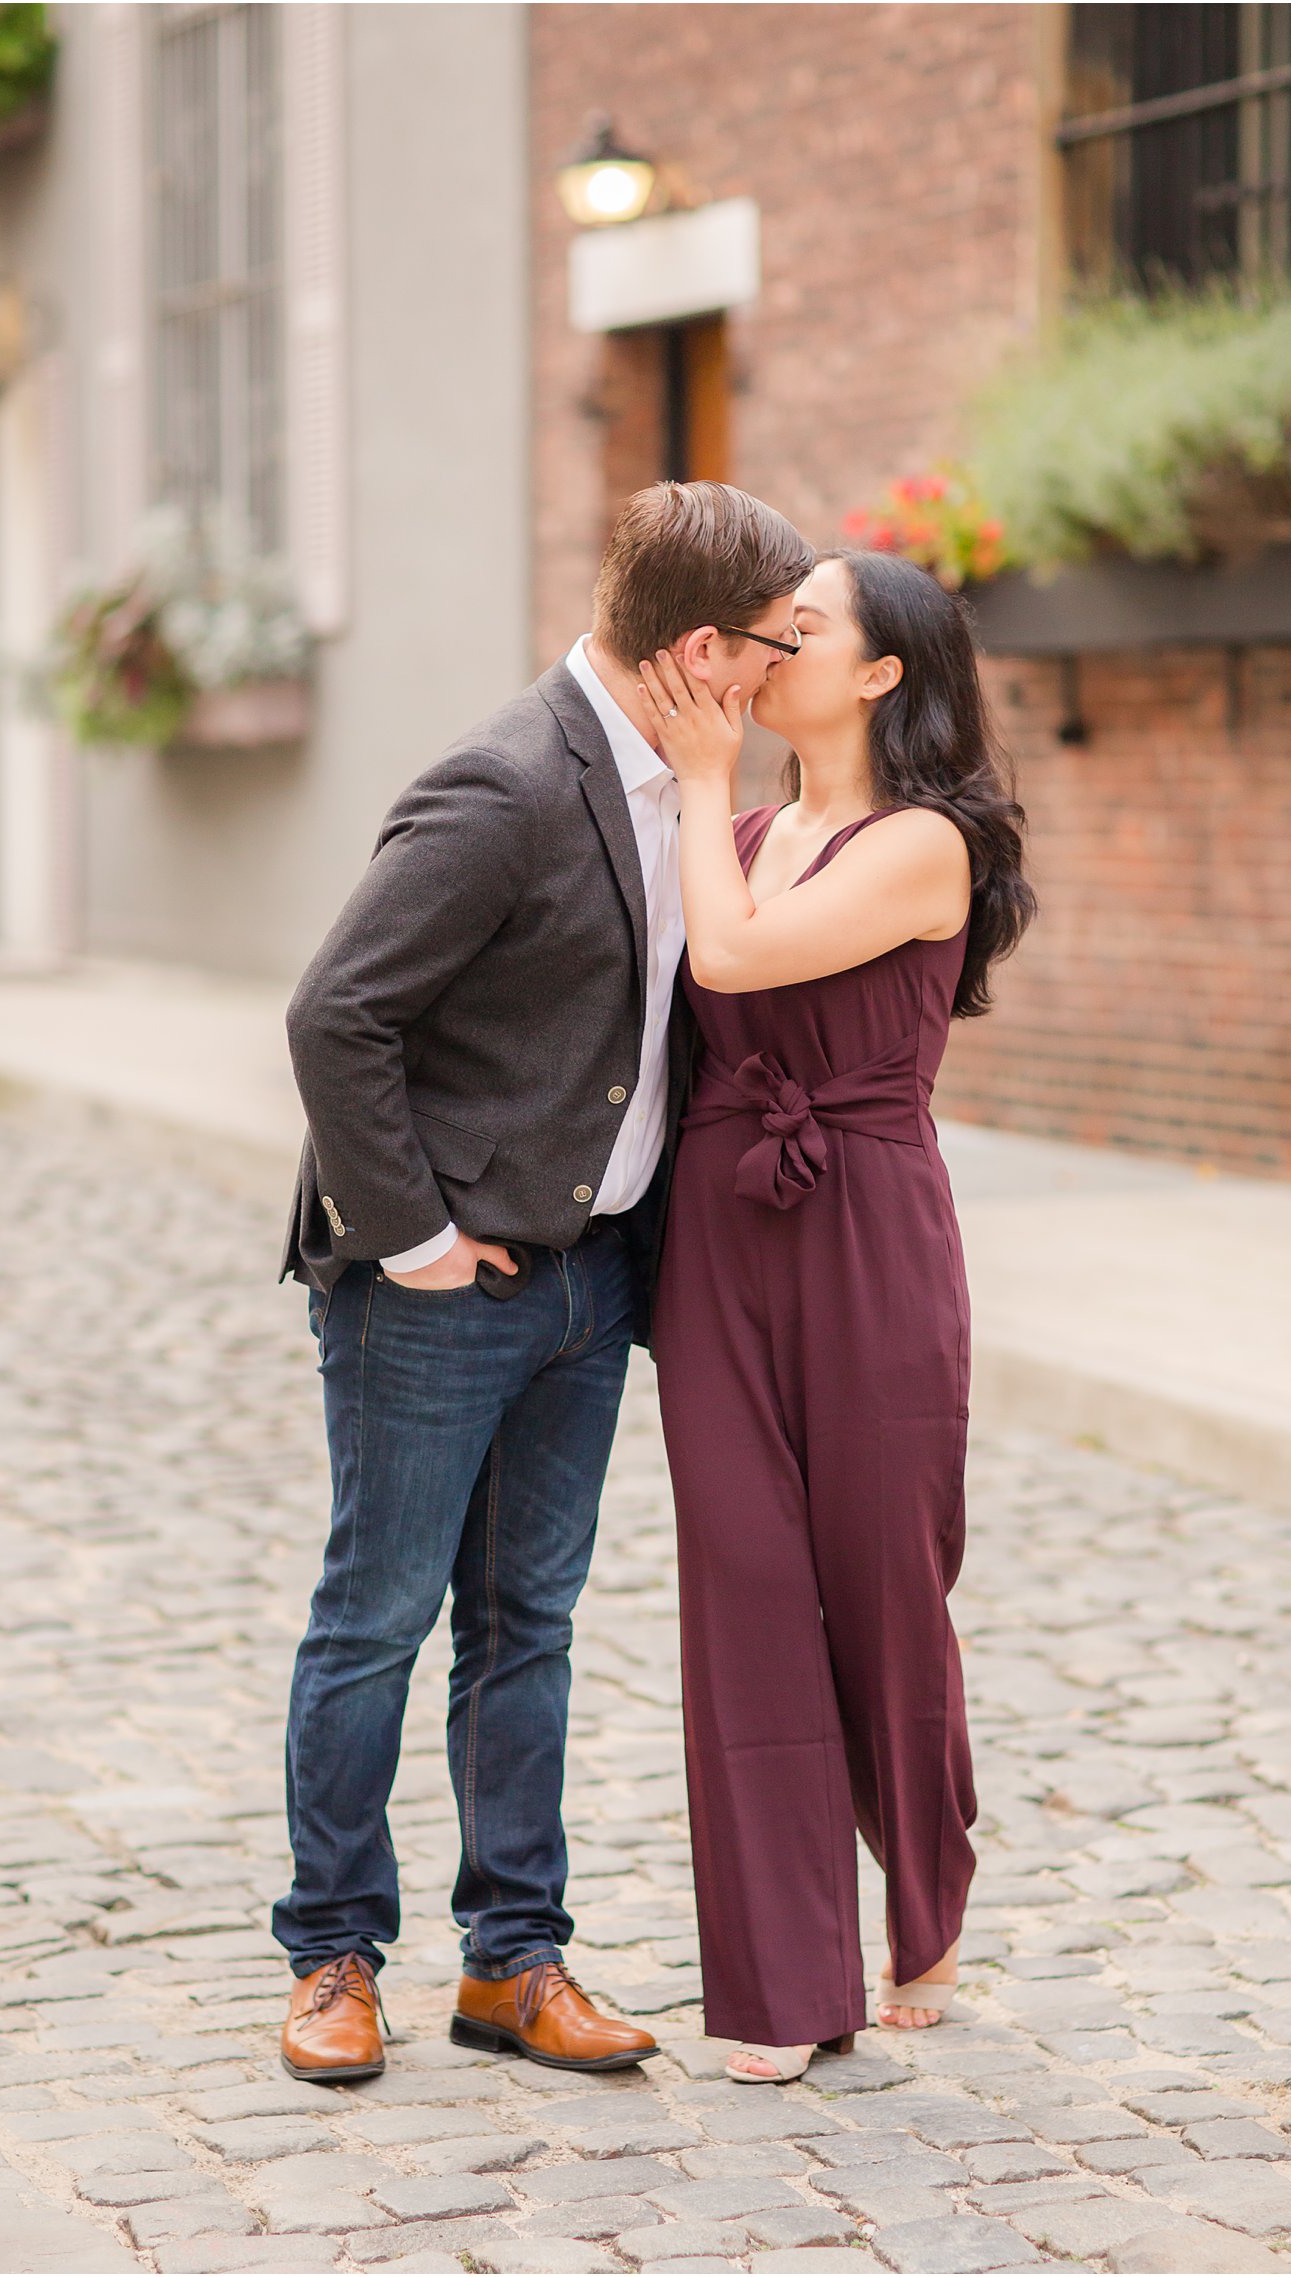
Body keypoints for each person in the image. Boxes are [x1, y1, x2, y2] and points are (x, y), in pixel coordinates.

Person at [273, 481, 814, 2082]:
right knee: (377, 1619)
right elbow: (334, 1019)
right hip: (437, 1294)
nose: (792, 661)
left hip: (587, 1289)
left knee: (531, 1628)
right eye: (779, 639)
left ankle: (515, 1957)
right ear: (706, 649)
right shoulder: (505, 783)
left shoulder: (693, 782)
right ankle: (330, 1953)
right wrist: (418, 1240)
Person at [644, 548, 1035, 2083]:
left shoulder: (927, 843)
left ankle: (925, 1898)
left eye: (798, 629)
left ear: (880, 673)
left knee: (883, 1584)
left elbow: (732, 952)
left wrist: (692, 780)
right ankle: (781, 1980)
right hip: (720, 1233)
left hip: (869, 1227)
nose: (765, 646)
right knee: (740, 1589)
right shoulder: (741, 828)